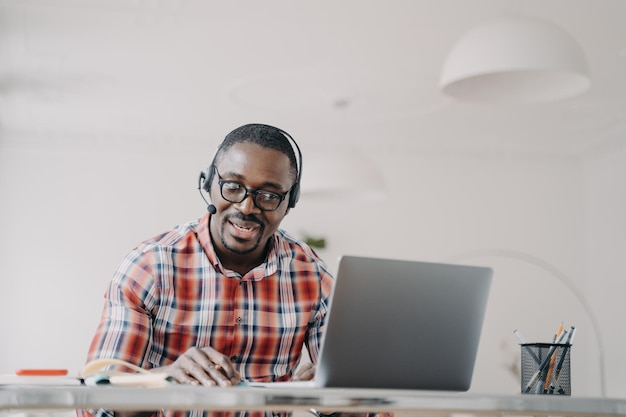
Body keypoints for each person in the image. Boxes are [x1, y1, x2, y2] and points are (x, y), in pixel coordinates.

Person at [79, 123, 336, 417]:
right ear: (207, 183)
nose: (247, 206)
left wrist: (337, 405)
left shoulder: (313, 277)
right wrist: (164, 381)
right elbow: (95, 404)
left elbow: (371, 404)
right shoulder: (149, 266)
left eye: (268, 195)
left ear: (290, 202)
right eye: (233, 186)